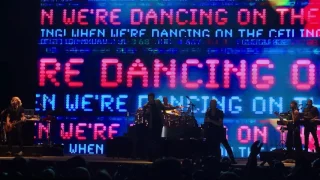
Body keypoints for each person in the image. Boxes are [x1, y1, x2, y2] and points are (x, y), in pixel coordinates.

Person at [142, 93, 175, 160]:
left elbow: (164, 108)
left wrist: (174, 107)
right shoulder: (146, 105)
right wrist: (146, 115)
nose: (149, 99)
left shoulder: (157, 102)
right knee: (152, 140)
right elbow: (144, 114)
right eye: (149, 98)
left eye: (151, 98)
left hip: (159, 123)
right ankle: (152, 156)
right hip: (152, 124)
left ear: (153, 97)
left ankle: (159, 155)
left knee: (159, 139)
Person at [204, 99, 236, 164]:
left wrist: (211, 121)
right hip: (212, 133)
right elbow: (206, 122)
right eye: (211, 104)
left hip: (219, 132)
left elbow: (219, 123)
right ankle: (215, 160)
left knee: (226, 145)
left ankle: (232, 160)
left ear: (215, 105)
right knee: (215, 147)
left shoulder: (220, 112)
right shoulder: (208, 112)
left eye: (213, 104)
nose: (211, 105)